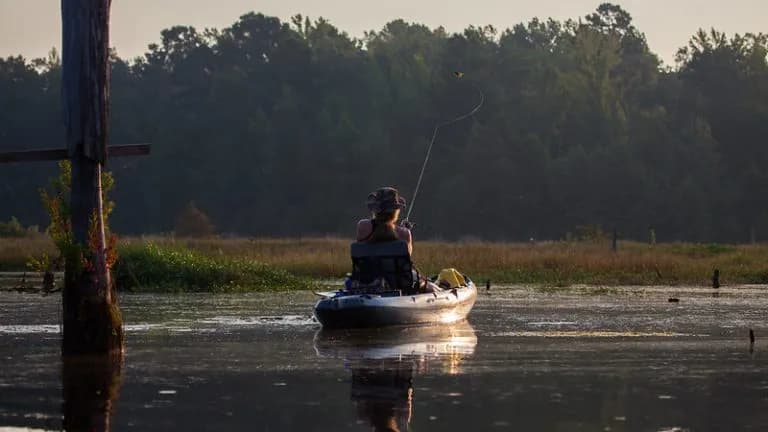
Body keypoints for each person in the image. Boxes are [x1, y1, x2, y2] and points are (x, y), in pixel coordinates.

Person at [356, 187, 413, 255]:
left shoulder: (363, 225)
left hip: (369, 265)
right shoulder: (404, 233)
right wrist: (405, 229)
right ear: (395, 211)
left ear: (375, 209)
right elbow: (407, 255)